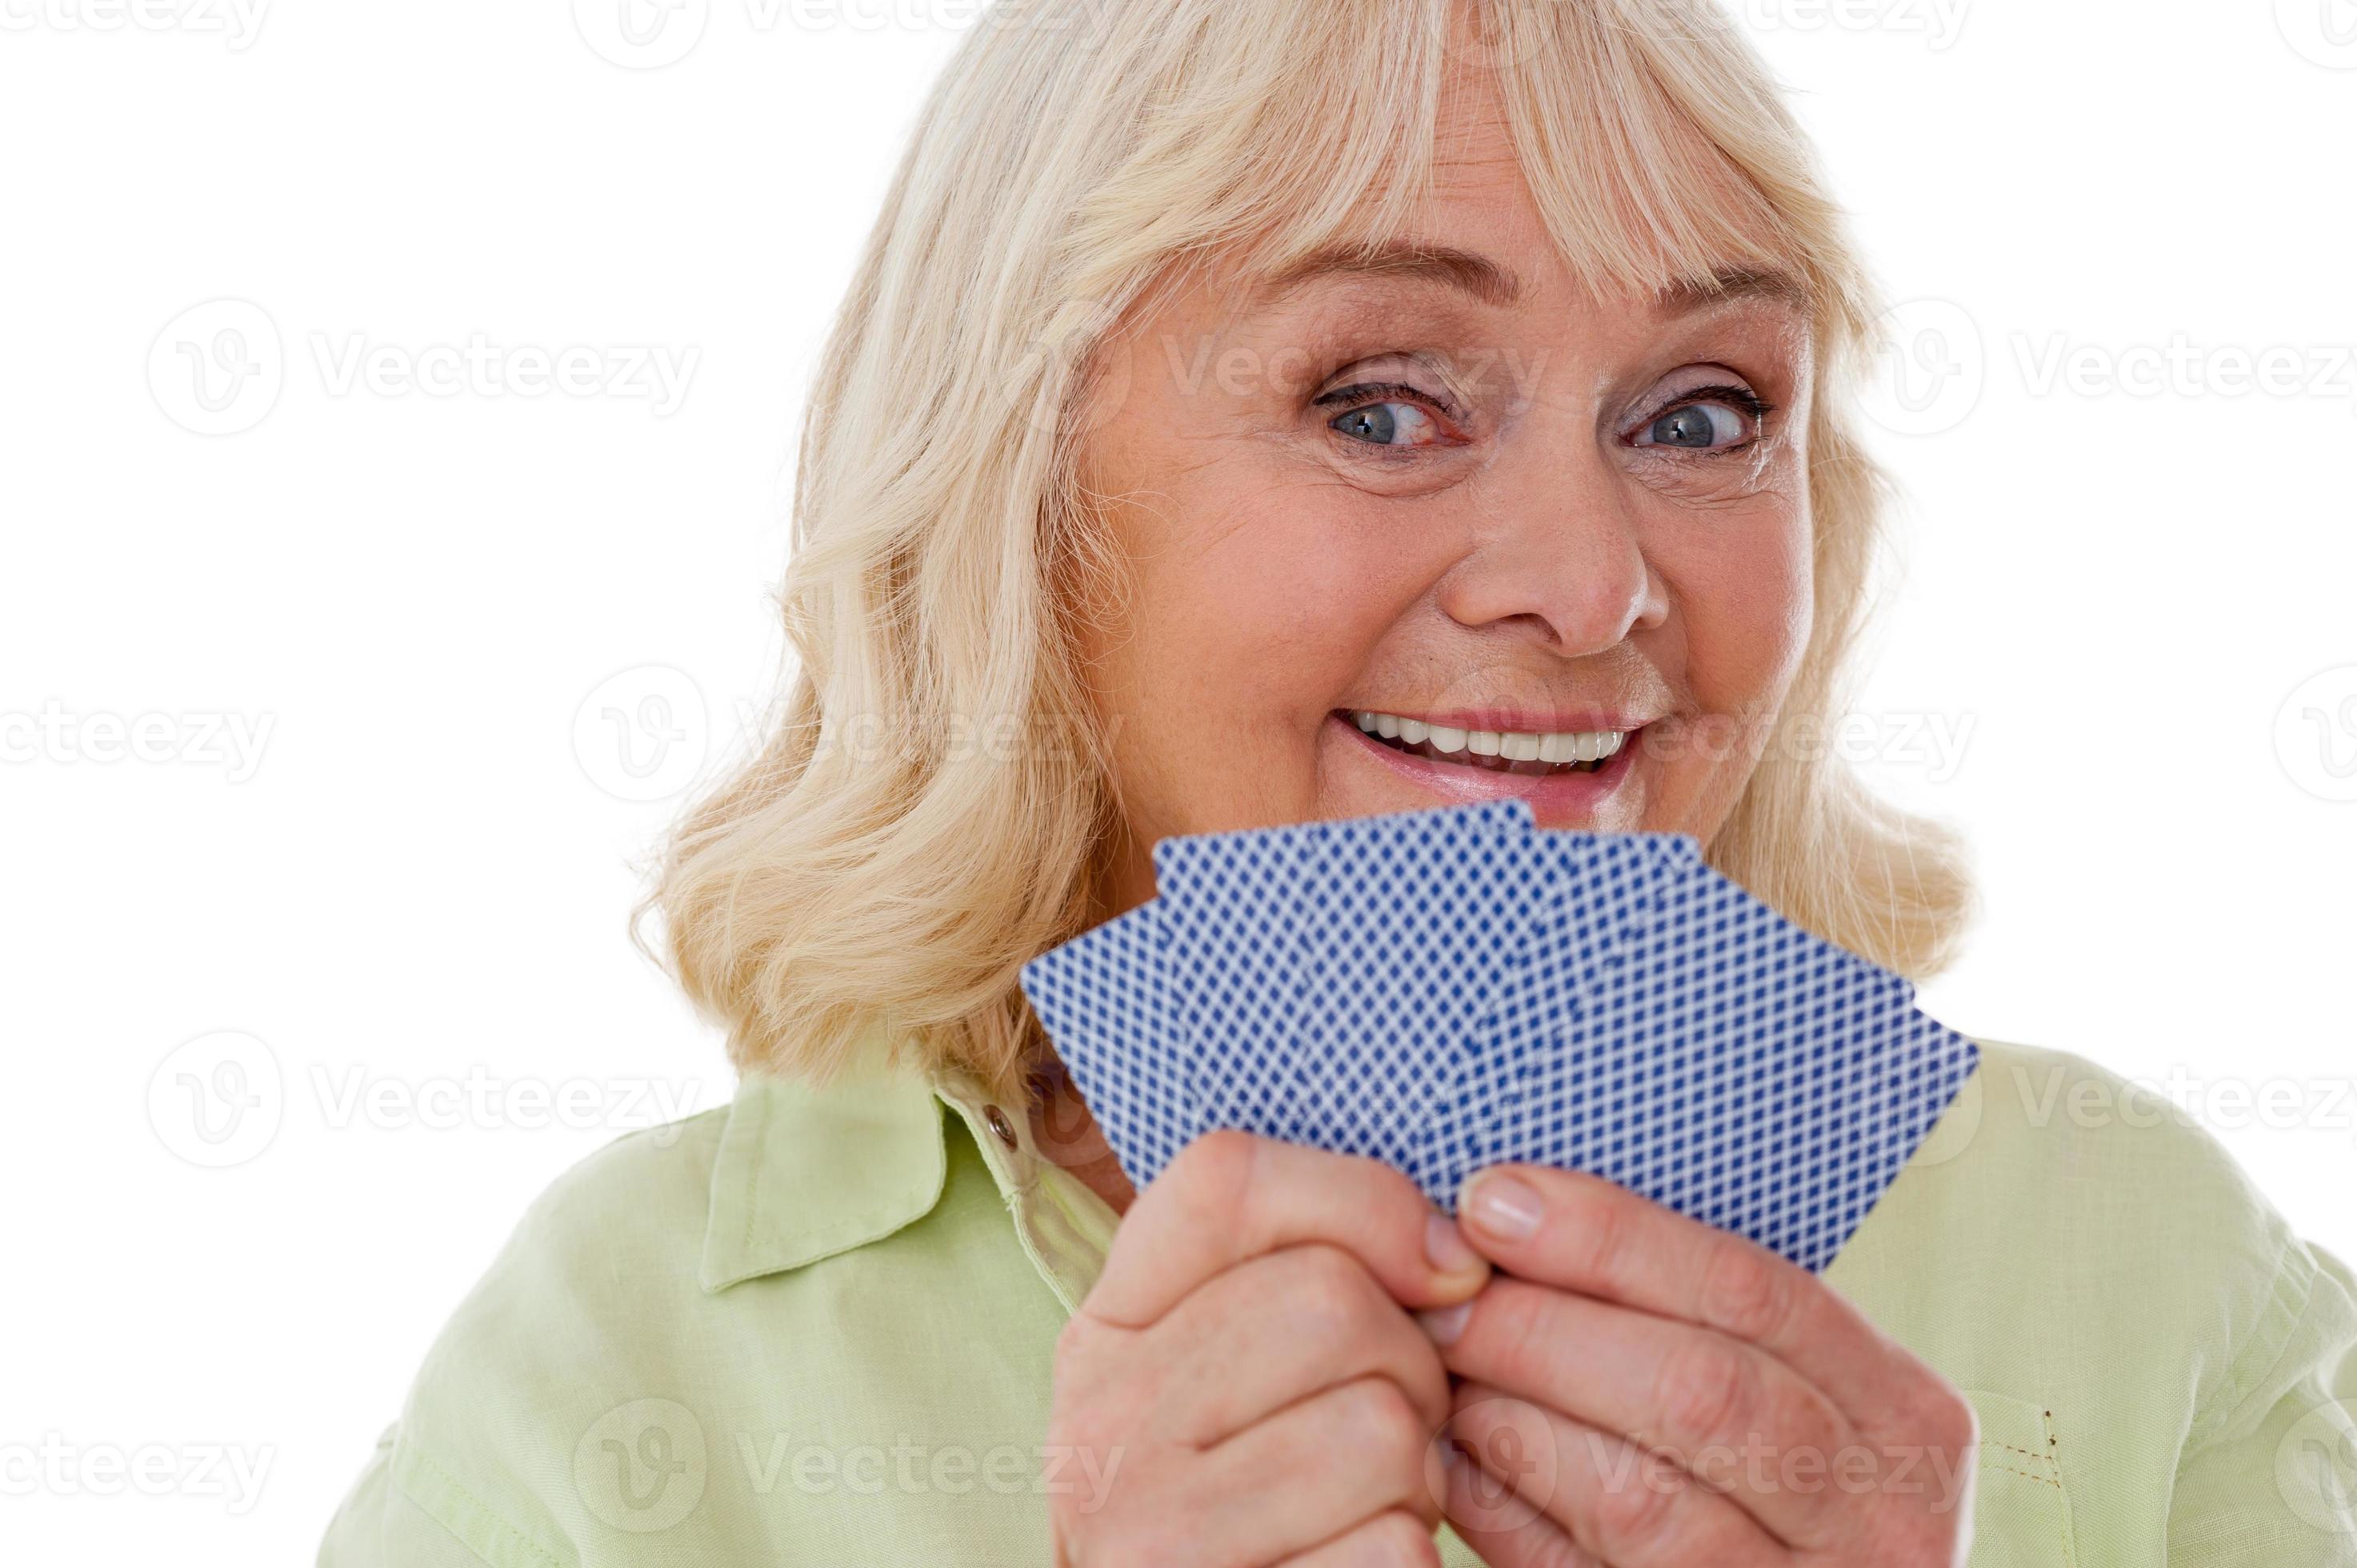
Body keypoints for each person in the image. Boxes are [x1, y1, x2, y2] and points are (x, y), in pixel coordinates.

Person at [320, 1, 2357, 1561]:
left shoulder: (2141, 1271)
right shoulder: (624, 1365)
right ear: (1026, 502)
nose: (1590, 583)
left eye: (1706, 408)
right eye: (1378, 403)